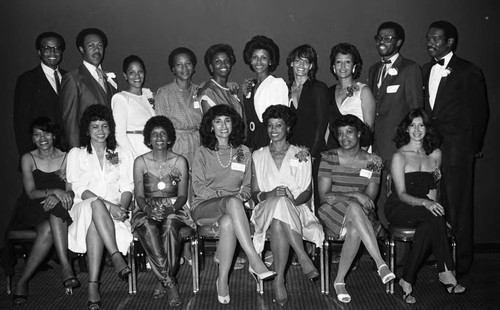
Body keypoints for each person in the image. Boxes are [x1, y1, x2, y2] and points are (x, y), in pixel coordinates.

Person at [423, 20, 489, 277]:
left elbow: (480, 112)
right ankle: (441, 256)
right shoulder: (425, 69)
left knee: (459, 205)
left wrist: (471, 148)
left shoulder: (468, 70)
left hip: (458, 150)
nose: (430, 42)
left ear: (450, 42)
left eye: (436, 39)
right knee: (435, 203)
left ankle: (461, 262)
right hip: (431, 150)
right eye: (428, 38)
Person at [191, 105, 275, 304]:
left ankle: (222, 281)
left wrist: (235, 199)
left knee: (229, 222)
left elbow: (247, 187)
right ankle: (254, 258)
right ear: (211, 126)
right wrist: (223, 196)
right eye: (218, 121)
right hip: (205, 207)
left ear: (233, 124)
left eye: (227, 121)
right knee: (232, 202)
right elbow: (198, 186)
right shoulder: (202, 152)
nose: (223, 126)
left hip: (233, 210)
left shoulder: (244, 151)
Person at [385, 108, 466, 303]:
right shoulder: (400, 156)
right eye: (412, 125)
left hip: (425, 208)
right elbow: (401, 194)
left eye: (421, 125)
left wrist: (436, 211)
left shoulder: (435, 154)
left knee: (430, 226)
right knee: (433, 219)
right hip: (401, 206)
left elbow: (433, 191)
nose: (417, 129)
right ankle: (446, 271)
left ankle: (407, 280)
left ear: (427, 128)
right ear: (406, 129)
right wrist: (426, 204)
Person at [250, 105, 323, 306]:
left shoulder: (301, 154)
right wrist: (271, 194)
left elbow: (307, 192)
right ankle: (302, 255)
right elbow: (255, 193)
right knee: (279, 203)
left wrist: (291, 201)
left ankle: (279, 279)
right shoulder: (258, 155)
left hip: (296, 209)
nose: (273, 130)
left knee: (279, 218)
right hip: (265, 208)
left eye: (279, 125)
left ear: (288, 128)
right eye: (270, 125)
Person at [317, 114, 394, 303]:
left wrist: (351, 197)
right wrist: (355, 195)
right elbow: (325, 196)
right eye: (340, 134)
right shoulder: (329, 158)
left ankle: (339, 280)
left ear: (359, 133)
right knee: (353, 205)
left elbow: (370, 199)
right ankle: (380, 263)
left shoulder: (374, 161)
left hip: (361, 213)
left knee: (354, 225)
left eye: (349, 132)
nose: (344, 138)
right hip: (332, 211)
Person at [66, 105, 133, 310]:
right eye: (95, 127)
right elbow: (77, 187)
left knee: (96, 220)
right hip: (82, 207)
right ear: (87, 130)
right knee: (95, 204)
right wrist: (109, 205)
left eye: (104, 126)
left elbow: (127, 186)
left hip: (111, 214)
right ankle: (115, 255)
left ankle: (93, 285)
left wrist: (121, 207)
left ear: (110, 128)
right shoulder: (76, 154)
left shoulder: (120, 152)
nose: (100, 131)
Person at [9, 117, 77, 305]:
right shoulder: (28, 158)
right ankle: (66, 267)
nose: (42, 138)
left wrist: (59, 195)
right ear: (32, 139)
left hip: (58, 208)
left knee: (51, 220)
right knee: (51, 216)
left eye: (46, 133)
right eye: (37, 135)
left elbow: (71, 190)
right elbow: (30, 193)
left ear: (54, 135)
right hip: (33, 208)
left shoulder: (66, 157)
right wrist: (53, 191)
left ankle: (22, 281)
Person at [132, 116, 196, 307]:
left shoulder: (180, 161)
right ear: (148, 139)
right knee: (149, 226)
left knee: (169, 227)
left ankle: (163, 280)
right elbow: (139, 195)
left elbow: (183, 196)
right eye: (154, 134)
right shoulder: (140, 162)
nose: (159, 137)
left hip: (175, 208)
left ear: (169, 138)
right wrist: (148, 210)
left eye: (163, 133)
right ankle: (170, 283)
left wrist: (170, 209)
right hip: (145, 209)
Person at [368, 22, 423, 227]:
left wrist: (412, 147)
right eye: (379, 37)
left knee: (399, 196)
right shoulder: (374, 70)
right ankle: (384, 249)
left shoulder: (410, 69)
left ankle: (400, 257)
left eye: (388, 38)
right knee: (379, 194)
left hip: (398, 147)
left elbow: (416, 111)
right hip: (377, 147)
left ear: (399, 42)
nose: (382, 42)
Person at [60, 28, 117, 149]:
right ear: (81, 49)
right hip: (86, 147)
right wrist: (76, 153)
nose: (96, 50)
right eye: (91, 46)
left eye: (100, 45)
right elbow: (70, 122)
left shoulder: (110, 78)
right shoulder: (73, 78)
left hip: (108, 147)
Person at [13, 32, 67, 157]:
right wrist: (29, 158)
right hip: (41, 154)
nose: (52, 52)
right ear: (39, 52)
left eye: (56, 48)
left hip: (66, 153)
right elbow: (21, 124)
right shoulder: (27, 80)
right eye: (47, 48)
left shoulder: (68, 77)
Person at [155, 47, 203, 167]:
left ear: (193, 67)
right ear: (173, 69)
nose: (184, 68)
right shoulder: (164, 93)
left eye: (188, 63)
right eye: (179, 65)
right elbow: (161, 126)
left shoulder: (201, 91)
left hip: (198, 145)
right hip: (175, 146)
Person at [241, 35, 289, 151]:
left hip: (268, 139)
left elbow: (281, 120)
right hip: (252, 140)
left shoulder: (277, 83)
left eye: (263, 58)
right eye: (255, 57)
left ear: (270, 61)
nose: (258, 62)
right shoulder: (250, 86)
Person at [287, 44, 330, 161]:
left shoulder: (318, 88)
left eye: (305, 62)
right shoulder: (286, 88)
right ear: (291, 63)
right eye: (297, 61)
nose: (301, 65)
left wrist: (313, 153)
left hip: (312, 151)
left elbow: (322, 124)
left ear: (310, 66)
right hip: (290, 151)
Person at [111, 55, 155, 159]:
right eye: (132, 72)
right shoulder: (121, 98)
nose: (137, 76)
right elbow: (119, 135)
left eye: (140, 71)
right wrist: (135, 158)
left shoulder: (147, 96)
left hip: (150, 149)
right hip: (133, 151)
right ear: (125, 75)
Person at [330, 43, 375, 130]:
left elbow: (369, 128)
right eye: (339, 62)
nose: (343, 66)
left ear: (354, 67)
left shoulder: (363, 91)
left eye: (347, 62)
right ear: (334, 67)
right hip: (333, 143)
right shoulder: (329, 92)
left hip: (359, 142)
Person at [199, 44, 243, 117]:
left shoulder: (230, 89)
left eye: (227, 60)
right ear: (211, 67)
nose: (223, 64)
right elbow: (210, 125)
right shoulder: (208, 92)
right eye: (218, 61)